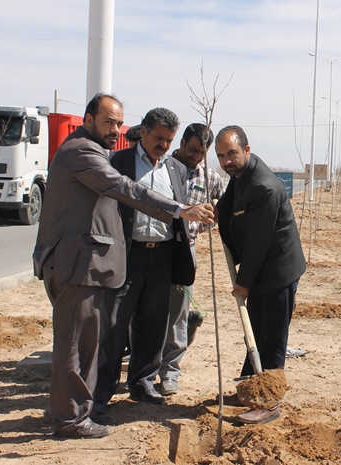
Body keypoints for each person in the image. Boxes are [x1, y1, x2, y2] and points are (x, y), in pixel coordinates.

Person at [33, 94, 214, 439]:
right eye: (108, 122)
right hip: (79, 264)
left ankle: (85, 410)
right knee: (80, 345)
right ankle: (73, 418)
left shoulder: (94, 151)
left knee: (93, 340)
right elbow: (122, 188)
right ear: (88, 120)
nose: (116, 130)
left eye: (118, 123)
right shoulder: (85, 152)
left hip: (105, 262)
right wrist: (179, 209)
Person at [94, 107, 194, 410]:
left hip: (162, 255)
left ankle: (143, 382)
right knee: (114, 324)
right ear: (144, 132)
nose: (163, 144)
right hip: (127, 254)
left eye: (169, 140)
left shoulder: (176, 168)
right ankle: (101, 391)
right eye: (159, 138)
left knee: (153, 323)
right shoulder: (118, 162)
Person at [215, 125, 306, 425]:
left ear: (246, 150)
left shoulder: (263, 186)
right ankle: (248, 390)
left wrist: (243, 283)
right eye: (221, 156)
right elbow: (228, 204)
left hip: (278, 271)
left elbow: (258, 243)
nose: (227, 161)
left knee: (273, 337)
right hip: (261, 269)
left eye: (231, 153)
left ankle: (268, 401)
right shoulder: (241, 176)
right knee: (254, 331)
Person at [158, 123, 225, 396]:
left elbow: (222, 207)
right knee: (148, 311)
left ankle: (169, 373)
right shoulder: (162, 169)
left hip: (186, 251)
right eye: (193, 149)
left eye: (201, 153)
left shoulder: (211, 179)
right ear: (182, 142)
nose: (196, 156)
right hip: (157, 248)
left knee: (178, 314)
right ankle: (144, 369)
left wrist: (211, 219)